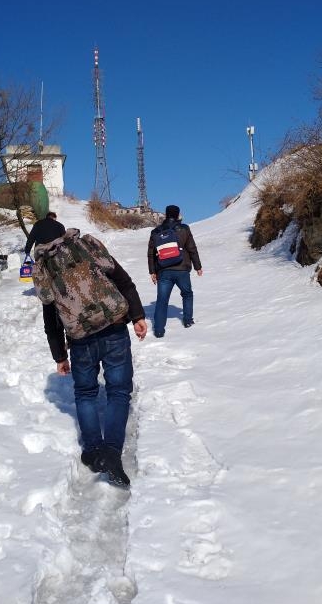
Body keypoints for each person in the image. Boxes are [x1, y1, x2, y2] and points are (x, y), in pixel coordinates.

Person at [41, 231, 147, 488]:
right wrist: (137, 315)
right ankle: (111, 450)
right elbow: (123, 280)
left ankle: (92, 451)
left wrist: (59, 355)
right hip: (114, 328)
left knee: (86, 393)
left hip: (80, 341)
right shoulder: (87, 245)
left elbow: (50, 316)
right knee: (119, 392)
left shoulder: (43, 267)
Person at [147, 204, 202, 338]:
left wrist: (152, 271)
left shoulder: (156, 232)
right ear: (177, 215)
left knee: (162, 300)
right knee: (187, 294)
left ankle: (159, 330)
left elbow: (151, 254)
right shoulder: (184, 229)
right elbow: (191, 248)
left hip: (163, 270)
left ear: (166, 215)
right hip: (182, 269)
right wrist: (198, 266)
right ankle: (188, 321)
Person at [23, 211, 67, 363]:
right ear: (54, 217)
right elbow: (65, 241)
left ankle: (45, 289)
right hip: (57, 256)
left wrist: (27, 250)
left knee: (43, 273)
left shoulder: (38, 224)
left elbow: (31, 237)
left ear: (46, 216)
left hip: (41, 254)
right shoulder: (59, 225)